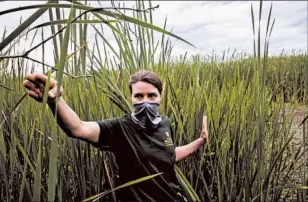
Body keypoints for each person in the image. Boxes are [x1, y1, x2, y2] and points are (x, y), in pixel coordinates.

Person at [23, 70, 209, 202]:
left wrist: (199, 142)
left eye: (151, 96)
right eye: (139, 96)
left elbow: (168, 155)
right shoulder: (120, 128)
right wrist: (56, 101)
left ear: (160, 95)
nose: (145, 102)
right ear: (131, 97)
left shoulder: (165, 123)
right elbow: (78, 128)